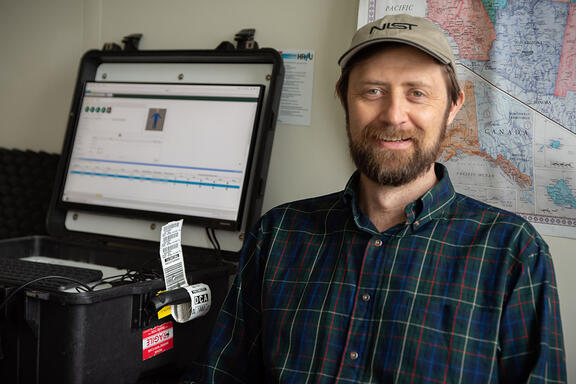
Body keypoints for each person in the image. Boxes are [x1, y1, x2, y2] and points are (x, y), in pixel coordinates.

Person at [189, 14, 566, 383]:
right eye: (373, 91)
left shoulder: (513, 251)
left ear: (453, 106)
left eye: (417, 93)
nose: (393, 115)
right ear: (344, 98)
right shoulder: (278, 234)